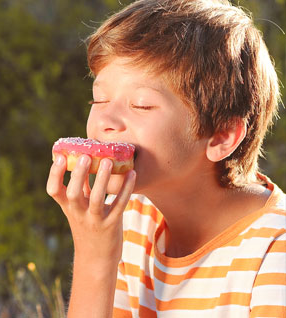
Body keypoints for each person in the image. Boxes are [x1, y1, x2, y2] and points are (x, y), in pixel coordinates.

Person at [47, 0, 286, 317]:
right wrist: (94, 257)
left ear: (221, 136)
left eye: (142, 105)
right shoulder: (132, 217)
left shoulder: (273, 254)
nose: (107, 120)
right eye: (99, 98)